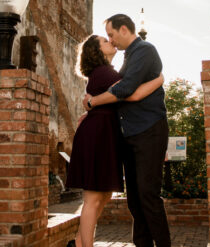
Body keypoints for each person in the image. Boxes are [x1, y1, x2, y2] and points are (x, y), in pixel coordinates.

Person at [66, 34, 164, 247]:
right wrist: (159, 80)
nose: (110, 41)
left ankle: (78, 243)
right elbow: (131, 92)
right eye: (104, 40)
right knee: (93, 199)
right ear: (97, 51)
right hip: (97, 136)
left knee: (104, 196)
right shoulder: (103, 72)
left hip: (105, 135)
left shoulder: (108, 72)